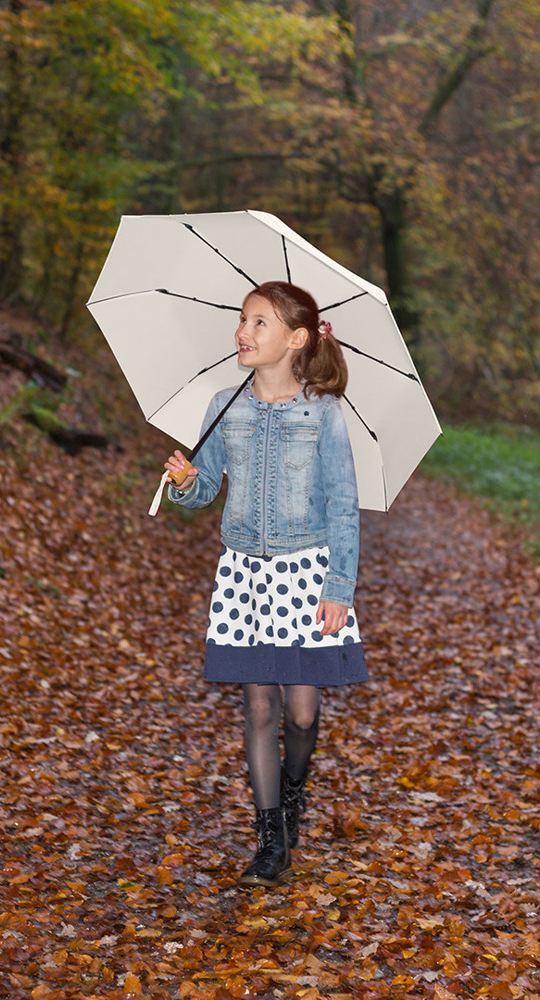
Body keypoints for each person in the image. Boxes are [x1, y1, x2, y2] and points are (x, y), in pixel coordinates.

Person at [164, 279, 367, 888]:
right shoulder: (226, 406)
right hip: (246, 573)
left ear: (296, 339)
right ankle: (270, 836)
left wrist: (340, 585)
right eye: (242, 320)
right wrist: (185, 480)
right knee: (259, 705)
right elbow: (204, 494)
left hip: (307, 573)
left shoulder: (324, 413)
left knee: (301, 715)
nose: (242, 333)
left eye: (258, 323)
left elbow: (344, 505)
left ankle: (294, 795)